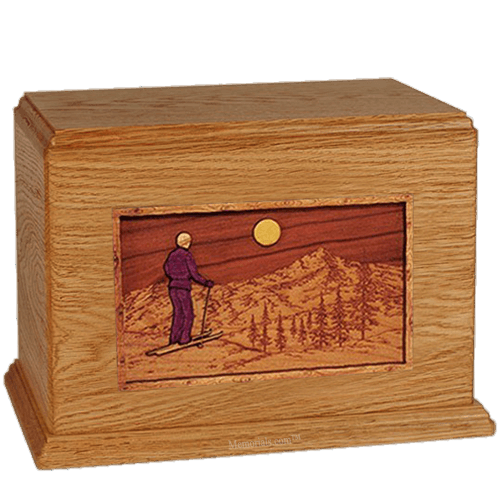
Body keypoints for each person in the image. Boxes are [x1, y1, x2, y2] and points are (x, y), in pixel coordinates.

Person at [163, 232, 214, 345]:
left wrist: (175, 276)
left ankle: (174, 338)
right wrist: (206, 283)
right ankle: (184, 338)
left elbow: (166, 269)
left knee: (178, 313)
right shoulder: (187, 255)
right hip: (183, 288)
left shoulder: (172, 255)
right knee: (188, 314)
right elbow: (194, 274)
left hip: (173, 287)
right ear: (187, 243)